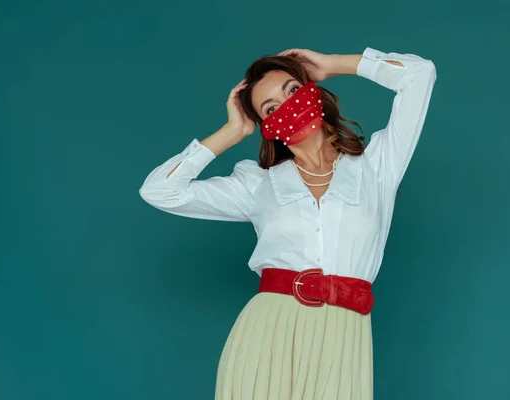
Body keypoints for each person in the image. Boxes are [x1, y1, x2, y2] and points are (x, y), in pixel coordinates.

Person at [138, 46, 437, 400]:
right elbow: (160, 191)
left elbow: (420, 75)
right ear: (268, 127)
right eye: (271, 108)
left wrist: (331, 64)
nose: (289, 107)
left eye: (293, 91)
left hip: (345, 337)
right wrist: (233, 131)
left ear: (313, 90)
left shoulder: (377, 166)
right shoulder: (256, 184)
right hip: (268, 332)